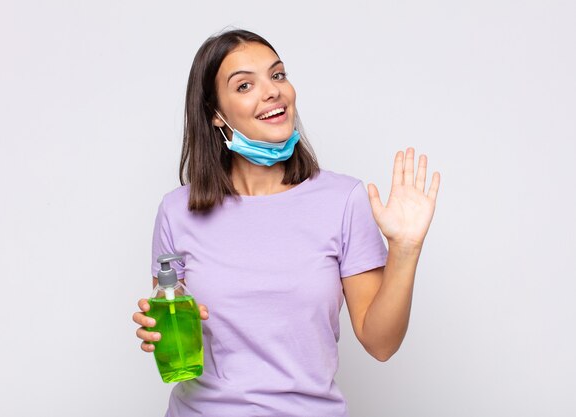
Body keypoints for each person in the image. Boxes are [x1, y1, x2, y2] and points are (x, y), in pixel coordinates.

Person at [132, 29, 440, 417]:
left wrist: (405, 250)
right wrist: (158, 328)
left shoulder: (342, 200)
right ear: (215, 113)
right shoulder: (177, 212)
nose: (272, 91)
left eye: (277, 75)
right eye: (245, 85)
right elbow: (171, 313)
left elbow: (381, 343)